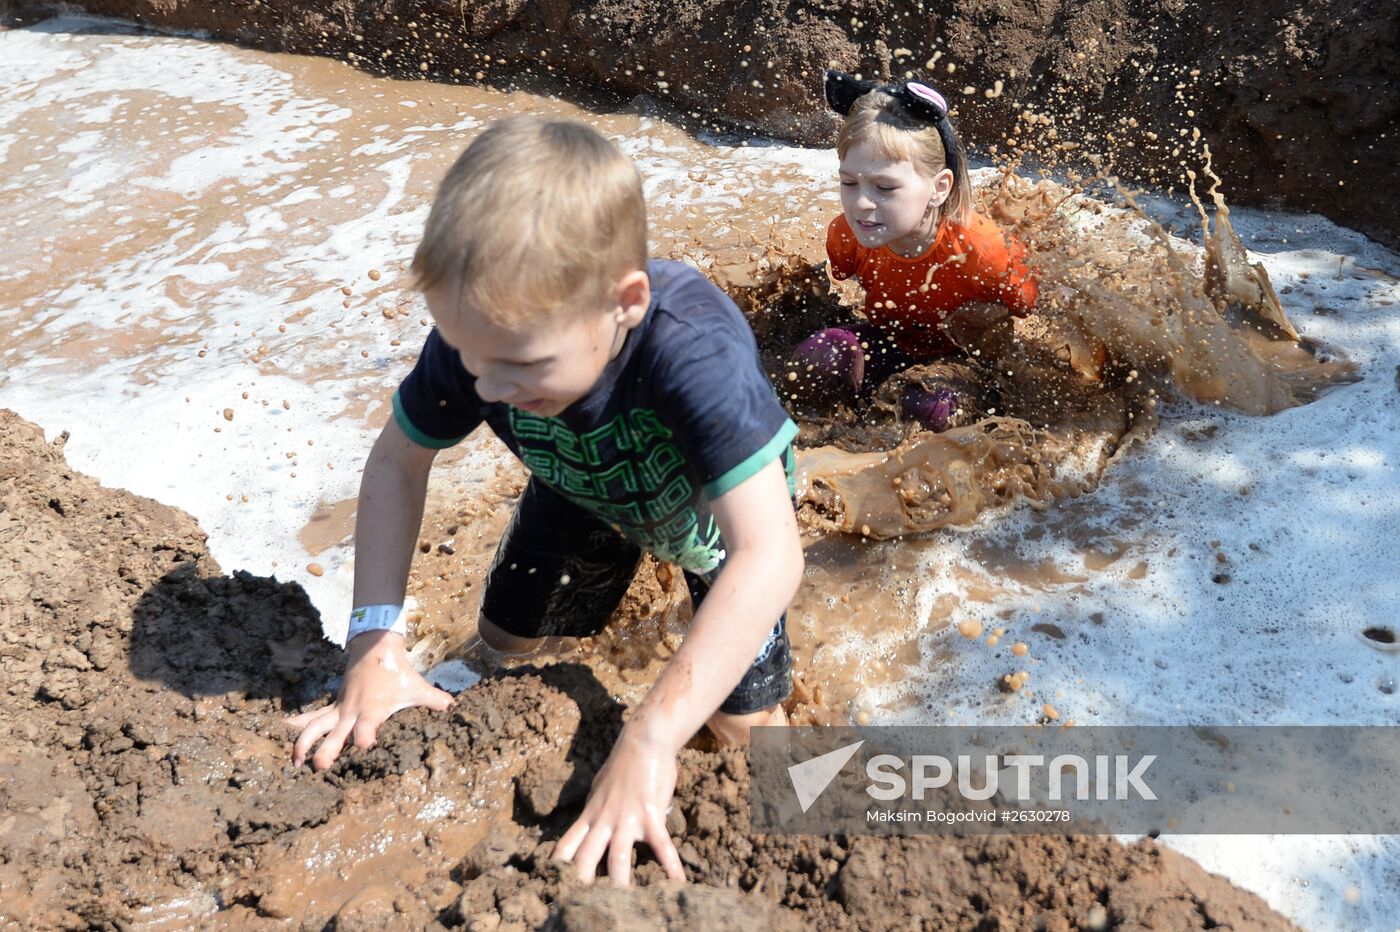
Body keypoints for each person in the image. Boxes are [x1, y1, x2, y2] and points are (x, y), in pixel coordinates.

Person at [286, 116, 803, 886]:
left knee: (746, 736)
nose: (488, 389)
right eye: (468, 358)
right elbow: (397, 464)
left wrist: (652, 737)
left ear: (623, 303)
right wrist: (373, 647)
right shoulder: (488, 341)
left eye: (520, 365)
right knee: (498, 647)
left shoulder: (693, 354)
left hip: (708, 523)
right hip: (579, 488)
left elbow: (770, 554)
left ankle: (833, 818)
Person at [790, 70, 1039, 430]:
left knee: (926, 407)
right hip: (889, 343)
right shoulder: (847, 235)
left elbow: (1032, 305)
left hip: (963, 362)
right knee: (819, 361)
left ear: (939, 188)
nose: (860, 203)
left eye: (885, 188)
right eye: (848, 182)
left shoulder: (984, 251)